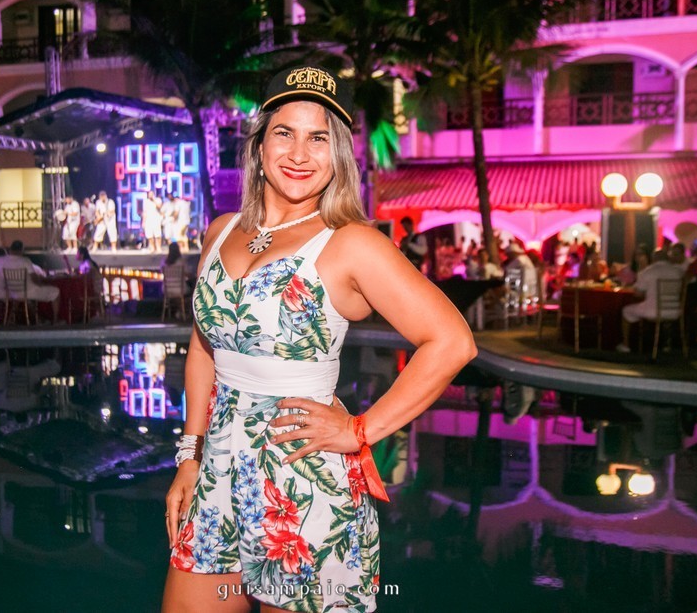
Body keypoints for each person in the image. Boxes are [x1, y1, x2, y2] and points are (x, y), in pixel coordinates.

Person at [161, 64, 476, 612]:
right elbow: (204, 350)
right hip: (216, 474)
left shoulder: (351, 243)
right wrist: (189, 455)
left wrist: (360, 430)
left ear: (338, 156)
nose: (299, 153)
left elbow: (452, 342)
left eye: (319, 138)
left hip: (301, 480)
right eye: (284, 132)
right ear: (259, 145)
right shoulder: (220, 231)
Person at [615, 249, 686, 353]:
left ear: (653, 259)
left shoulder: (648, 271)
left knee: (626, 311)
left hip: (653, 311)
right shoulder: (678, 271)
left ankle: (626, 345)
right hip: (675, 311)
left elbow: (638, 294)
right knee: (663, 318)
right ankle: (666, 344)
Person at [0, 240, 60, 322]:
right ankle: (55, 320)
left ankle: (12, 319)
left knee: (20, 296)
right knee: (56, 291)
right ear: (22, 250)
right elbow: (34, 279)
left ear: (10, 250)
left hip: (12, 292)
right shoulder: (25, 261)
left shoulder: (1, 261)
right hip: (28, 291)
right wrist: (42, 284)